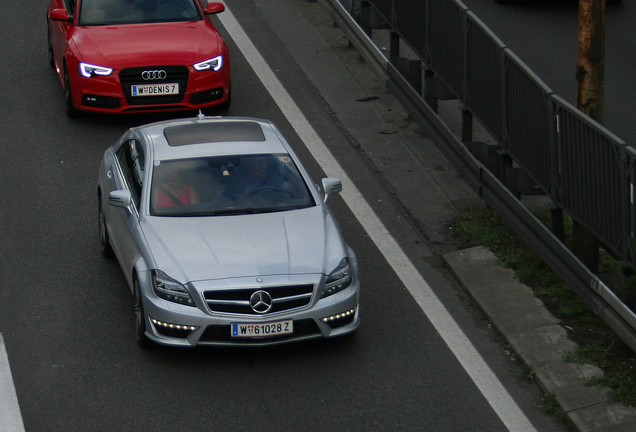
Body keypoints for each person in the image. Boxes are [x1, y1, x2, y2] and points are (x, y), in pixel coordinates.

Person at [216, 155, 289, 203]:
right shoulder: (234, 182)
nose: (256, 166)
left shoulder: (277, 180)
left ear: (266, 164)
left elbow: (287, 199)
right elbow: (220, 202)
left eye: (260, 162)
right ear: (246, 165)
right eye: (251, 162)